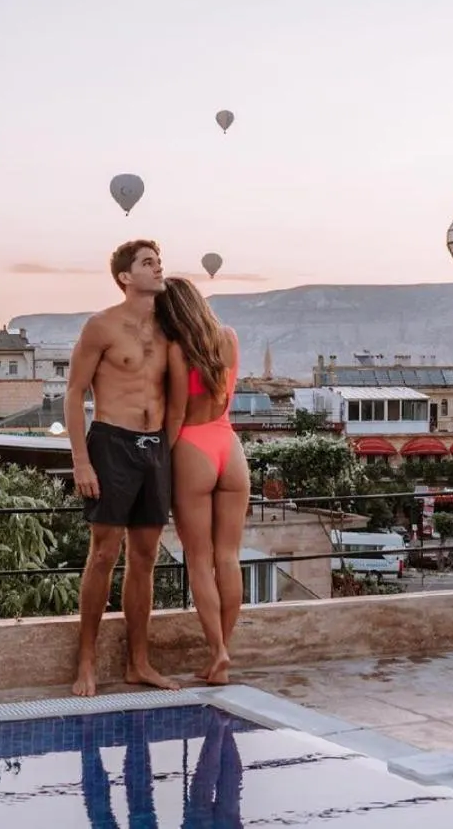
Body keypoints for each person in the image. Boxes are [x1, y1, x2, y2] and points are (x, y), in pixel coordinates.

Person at [66, 238, 178, 697]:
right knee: (103, 555)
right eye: (148, 263)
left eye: (159, 262)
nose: (158, 269)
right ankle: (87, 662)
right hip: (112, 444)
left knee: (146, 558)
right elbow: (74, 394)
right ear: (125, 277)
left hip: (156, 450)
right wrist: (80, 461)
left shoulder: (171, 328)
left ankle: (138, 663)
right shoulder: (102, 326)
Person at [159, 277, 250, 686]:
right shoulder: (229, 339)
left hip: (193, 446)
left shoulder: (178, 350)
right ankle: (222, 652)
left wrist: (162, 454)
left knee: (199, 559)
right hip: (229, 448)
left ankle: (218, 652)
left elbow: (176, 413)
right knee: (228, 557)